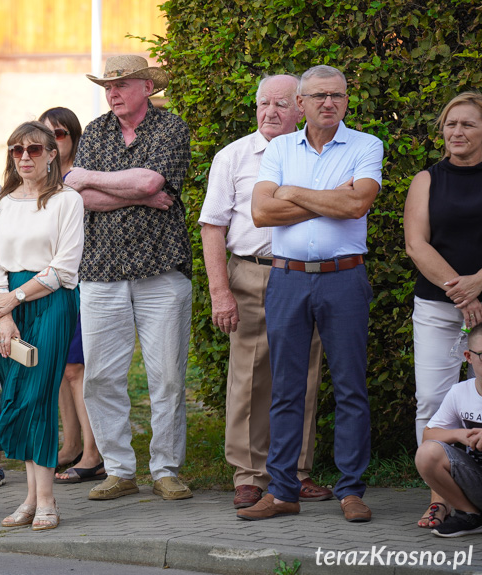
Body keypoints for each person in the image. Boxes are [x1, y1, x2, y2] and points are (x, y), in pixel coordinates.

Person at [240, 65, 383, 522]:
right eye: (319, 95)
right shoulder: (279, 147)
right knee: (284, 388)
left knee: (350, 388)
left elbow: (357, 203)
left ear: (346, 100)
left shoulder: (366, 145)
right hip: (288, 279)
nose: (329, 103)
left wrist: (293, 193)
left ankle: (351, 491)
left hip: (345, 277)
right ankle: (282, 491)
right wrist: (327, 197)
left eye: (337, 95)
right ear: (299, 103)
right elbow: (261, 212)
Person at [199, 74, 332, 509]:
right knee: (250, 376)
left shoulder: (315, 155)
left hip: (304, 273)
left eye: (280, 104)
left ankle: (295, 473)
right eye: (263, 104)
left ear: (299, 108)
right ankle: (250, 474)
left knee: (303, 374)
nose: (270, 112)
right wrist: (221, 292)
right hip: (253, 274)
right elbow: (213, 227)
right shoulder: (233, 156)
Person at [66, 55, 193, 501]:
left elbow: (149, 181)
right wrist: (130, 191)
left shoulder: (171, 127)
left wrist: (91, 179)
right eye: (107, 85)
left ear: (146, 88)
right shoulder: (96, 130)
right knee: (101, 376)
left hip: (162, 271)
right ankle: (119, 470)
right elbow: (79, 198)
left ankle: (165, 469)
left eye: (121, 84)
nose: (112, 92)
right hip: (100, 272)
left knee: (168, 377)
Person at [0, 121, 83, 530]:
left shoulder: (67, 200)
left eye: (34, 150)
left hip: (50, 303)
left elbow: (64, 267)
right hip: (8, 308)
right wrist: (4, 313)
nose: (24, 157)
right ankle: (29, 499)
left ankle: (47, 502)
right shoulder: (4, 202)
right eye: (16, 151)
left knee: (38, 397)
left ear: (51, 156)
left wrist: (17, 297)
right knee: (18, 393)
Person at [404, 91, 482, 528]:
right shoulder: (427, 180)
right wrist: (463, 293)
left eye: (467, 124)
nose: (456, 132)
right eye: (451, 124)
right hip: (437, 305)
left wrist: (479, 285)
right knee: (432, 400)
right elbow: (417, 245)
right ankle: (442, 496)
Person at [38, 107, 102, 484]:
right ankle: (72, 443)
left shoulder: (80, 176)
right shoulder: (36, 177)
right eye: (43, 137)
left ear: (73, 139)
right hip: (44, 282)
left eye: (58, 135)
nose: (51, 143)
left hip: (82, 280)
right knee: (61, 368)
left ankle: (94, 453)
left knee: (79, 369)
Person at [415, 324, 482, 537]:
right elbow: (428, 435)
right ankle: (470, 515)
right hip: (476, 481)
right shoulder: (460, 392)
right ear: (468, 357)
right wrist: (458, 434)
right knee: (427, 453)